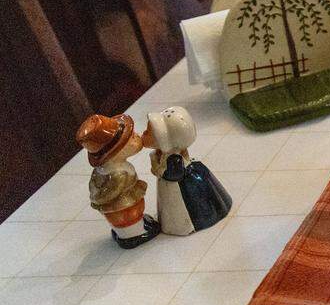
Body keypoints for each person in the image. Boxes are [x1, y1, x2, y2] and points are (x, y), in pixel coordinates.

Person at [142, 106, 231, 235]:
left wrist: (157, 168)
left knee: (179, 207)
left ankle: (182, 225)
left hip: (178, 190)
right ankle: (171, 222)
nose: (143, 134)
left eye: (149, 133)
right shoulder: (161, 153)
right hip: (169, 188)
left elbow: (173, 175)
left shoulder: (174, 158)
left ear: (164, 140)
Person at [77, 114, 159, 249]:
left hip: (121, 205)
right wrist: (100, 200)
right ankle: (133, 234)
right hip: (123, 207)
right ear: (115, 152)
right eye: (132, 138)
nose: (137, 137)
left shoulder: (103, 170)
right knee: (128, 217)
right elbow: (110, 193)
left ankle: (132, 227)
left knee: (132, 214)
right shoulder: (118, 175)